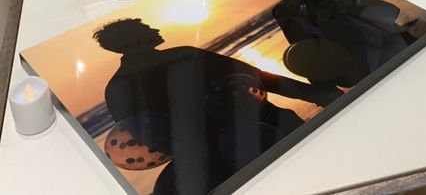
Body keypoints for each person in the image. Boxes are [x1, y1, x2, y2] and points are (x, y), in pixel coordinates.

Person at [94, 19, 339, 194]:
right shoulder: (184, 55)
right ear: (131, 41)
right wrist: (316, 94)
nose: (154, 29)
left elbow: (150, 140)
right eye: (145, 27)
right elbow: (258, 77)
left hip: (205, 163)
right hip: (261, 132)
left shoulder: (116, 88)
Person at [253, 0, 418, 86]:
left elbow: (300, 47)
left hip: (356, 58)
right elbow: (369, 10)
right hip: (365, 49)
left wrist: (318, 79)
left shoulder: (286, 11)